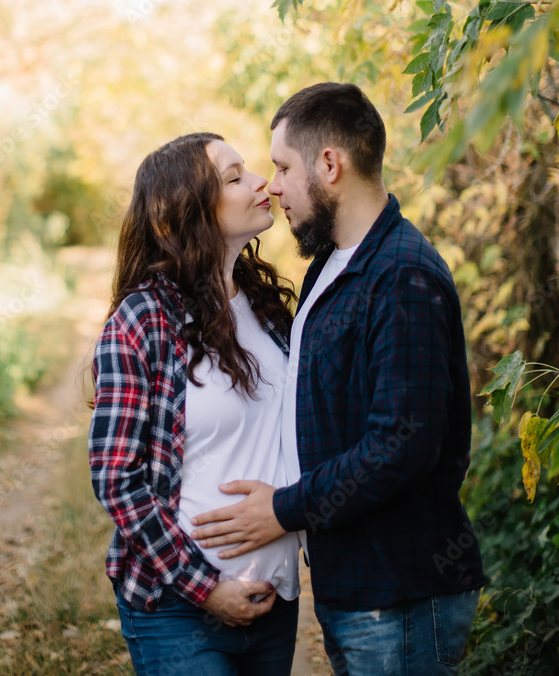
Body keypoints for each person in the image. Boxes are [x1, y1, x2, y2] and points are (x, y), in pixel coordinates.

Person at [190, 83, 487, 676]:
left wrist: (285, 509)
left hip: (399, 590)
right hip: (357, 584)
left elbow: (403, 445)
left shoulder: (402, 275)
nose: (272, 186)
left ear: (330, 164)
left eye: (282, 167)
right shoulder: (331, 264)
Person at [88, 132, 301, 676]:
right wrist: (206, 589)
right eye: (233, 178)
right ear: (175, 220)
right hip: (177, 610)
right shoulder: (142, 322)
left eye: (248, 170)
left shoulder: (270, 311)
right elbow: (117, 478)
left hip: (274, 600)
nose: (260, 183)